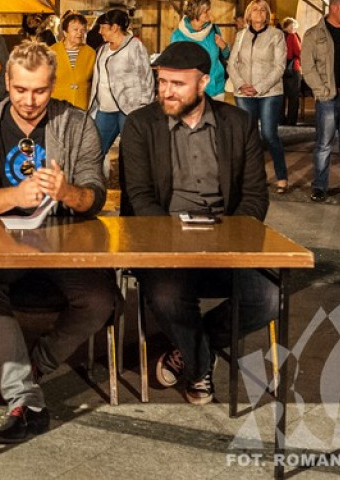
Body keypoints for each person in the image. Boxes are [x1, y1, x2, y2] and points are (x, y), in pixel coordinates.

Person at [0, 40, 117, 443]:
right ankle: (22, 397)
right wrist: (14, 196)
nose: (30, 101)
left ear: (53, 85)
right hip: (0, 241)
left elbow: (94, 194)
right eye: (21, 90)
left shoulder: (77, 122)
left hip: (63, 239)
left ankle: (34, 367)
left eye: (40, 91)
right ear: (7, 83)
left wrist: (67, 192)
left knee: (100, 300)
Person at [119, 41, 272, 405]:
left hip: (224, 238)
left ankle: (187, 346)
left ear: (204, 83)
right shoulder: (141, 125)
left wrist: (232, 238)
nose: (166, 91)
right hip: (164, 238)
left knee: (268, 298)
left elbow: (254, 196)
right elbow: (139, 197)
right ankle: (199, 366)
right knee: (168, 295)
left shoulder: (238, 123)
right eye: (162, 82)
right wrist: (173, 240)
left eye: (177, 84)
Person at [226, 0, 289, 193]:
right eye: (255, 9)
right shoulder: (241, 35)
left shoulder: (276, 35)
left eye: (263, 10)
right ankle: (252, 178)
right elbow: (232, 63)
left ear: (268, 14)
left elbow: (280, 66)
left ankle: (281, 176)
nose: (259, 13)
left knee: (269, 135)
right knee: (248, 136)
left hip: (269, 92)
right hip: (244, 92)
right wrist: (240, 84)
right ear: (248, 14)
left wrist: (259, 87)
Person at [300, 0, 340, 201]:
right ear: (333, 7)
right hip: (328, 96)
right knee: (324, 143)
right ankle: (320, 186)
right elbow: (308, 66)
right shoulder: (314, 34)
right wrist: (321, 91)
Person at [88, 8, 155, 157]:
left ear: (115, 27)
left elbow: (147, 79)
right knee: (94, 151)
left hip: (129, 109)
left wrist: (144, 107)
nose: (100, 32)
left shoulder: (135, 47)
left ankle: (129, 180)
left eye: (103, 28)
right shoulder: (103, 49)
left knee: (132, 152)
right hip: (105, 109)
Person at [170, 0, 229, 100]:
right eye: (206, 11)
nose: (209, 13)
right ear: (195, 11)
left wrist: (224, 47)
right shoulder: (178, 36)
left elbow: (226, 55)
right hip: (193, 91)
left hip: (217, 88)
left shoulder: (214, 30)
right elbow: (175, 66)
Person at [50, 12, 95, 110]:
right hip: (57, 107)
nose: (80, 33)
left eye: (83, 30)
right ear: (65, 32)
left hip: (82, 107)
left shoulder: (91, 53)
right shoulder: (51, 52)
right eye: (75, 30)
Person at [280, 18, 302, 125]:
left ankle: (281, 119)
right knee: (293, 96)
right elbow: (298, 52)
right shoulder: (292, 36)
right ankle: (291, 120)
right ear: (288, 26)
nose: (294, 28)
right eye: (293, 26)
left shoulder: (280, 36)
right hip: (293, 69)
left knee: (282, 96)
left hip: (281, 69)